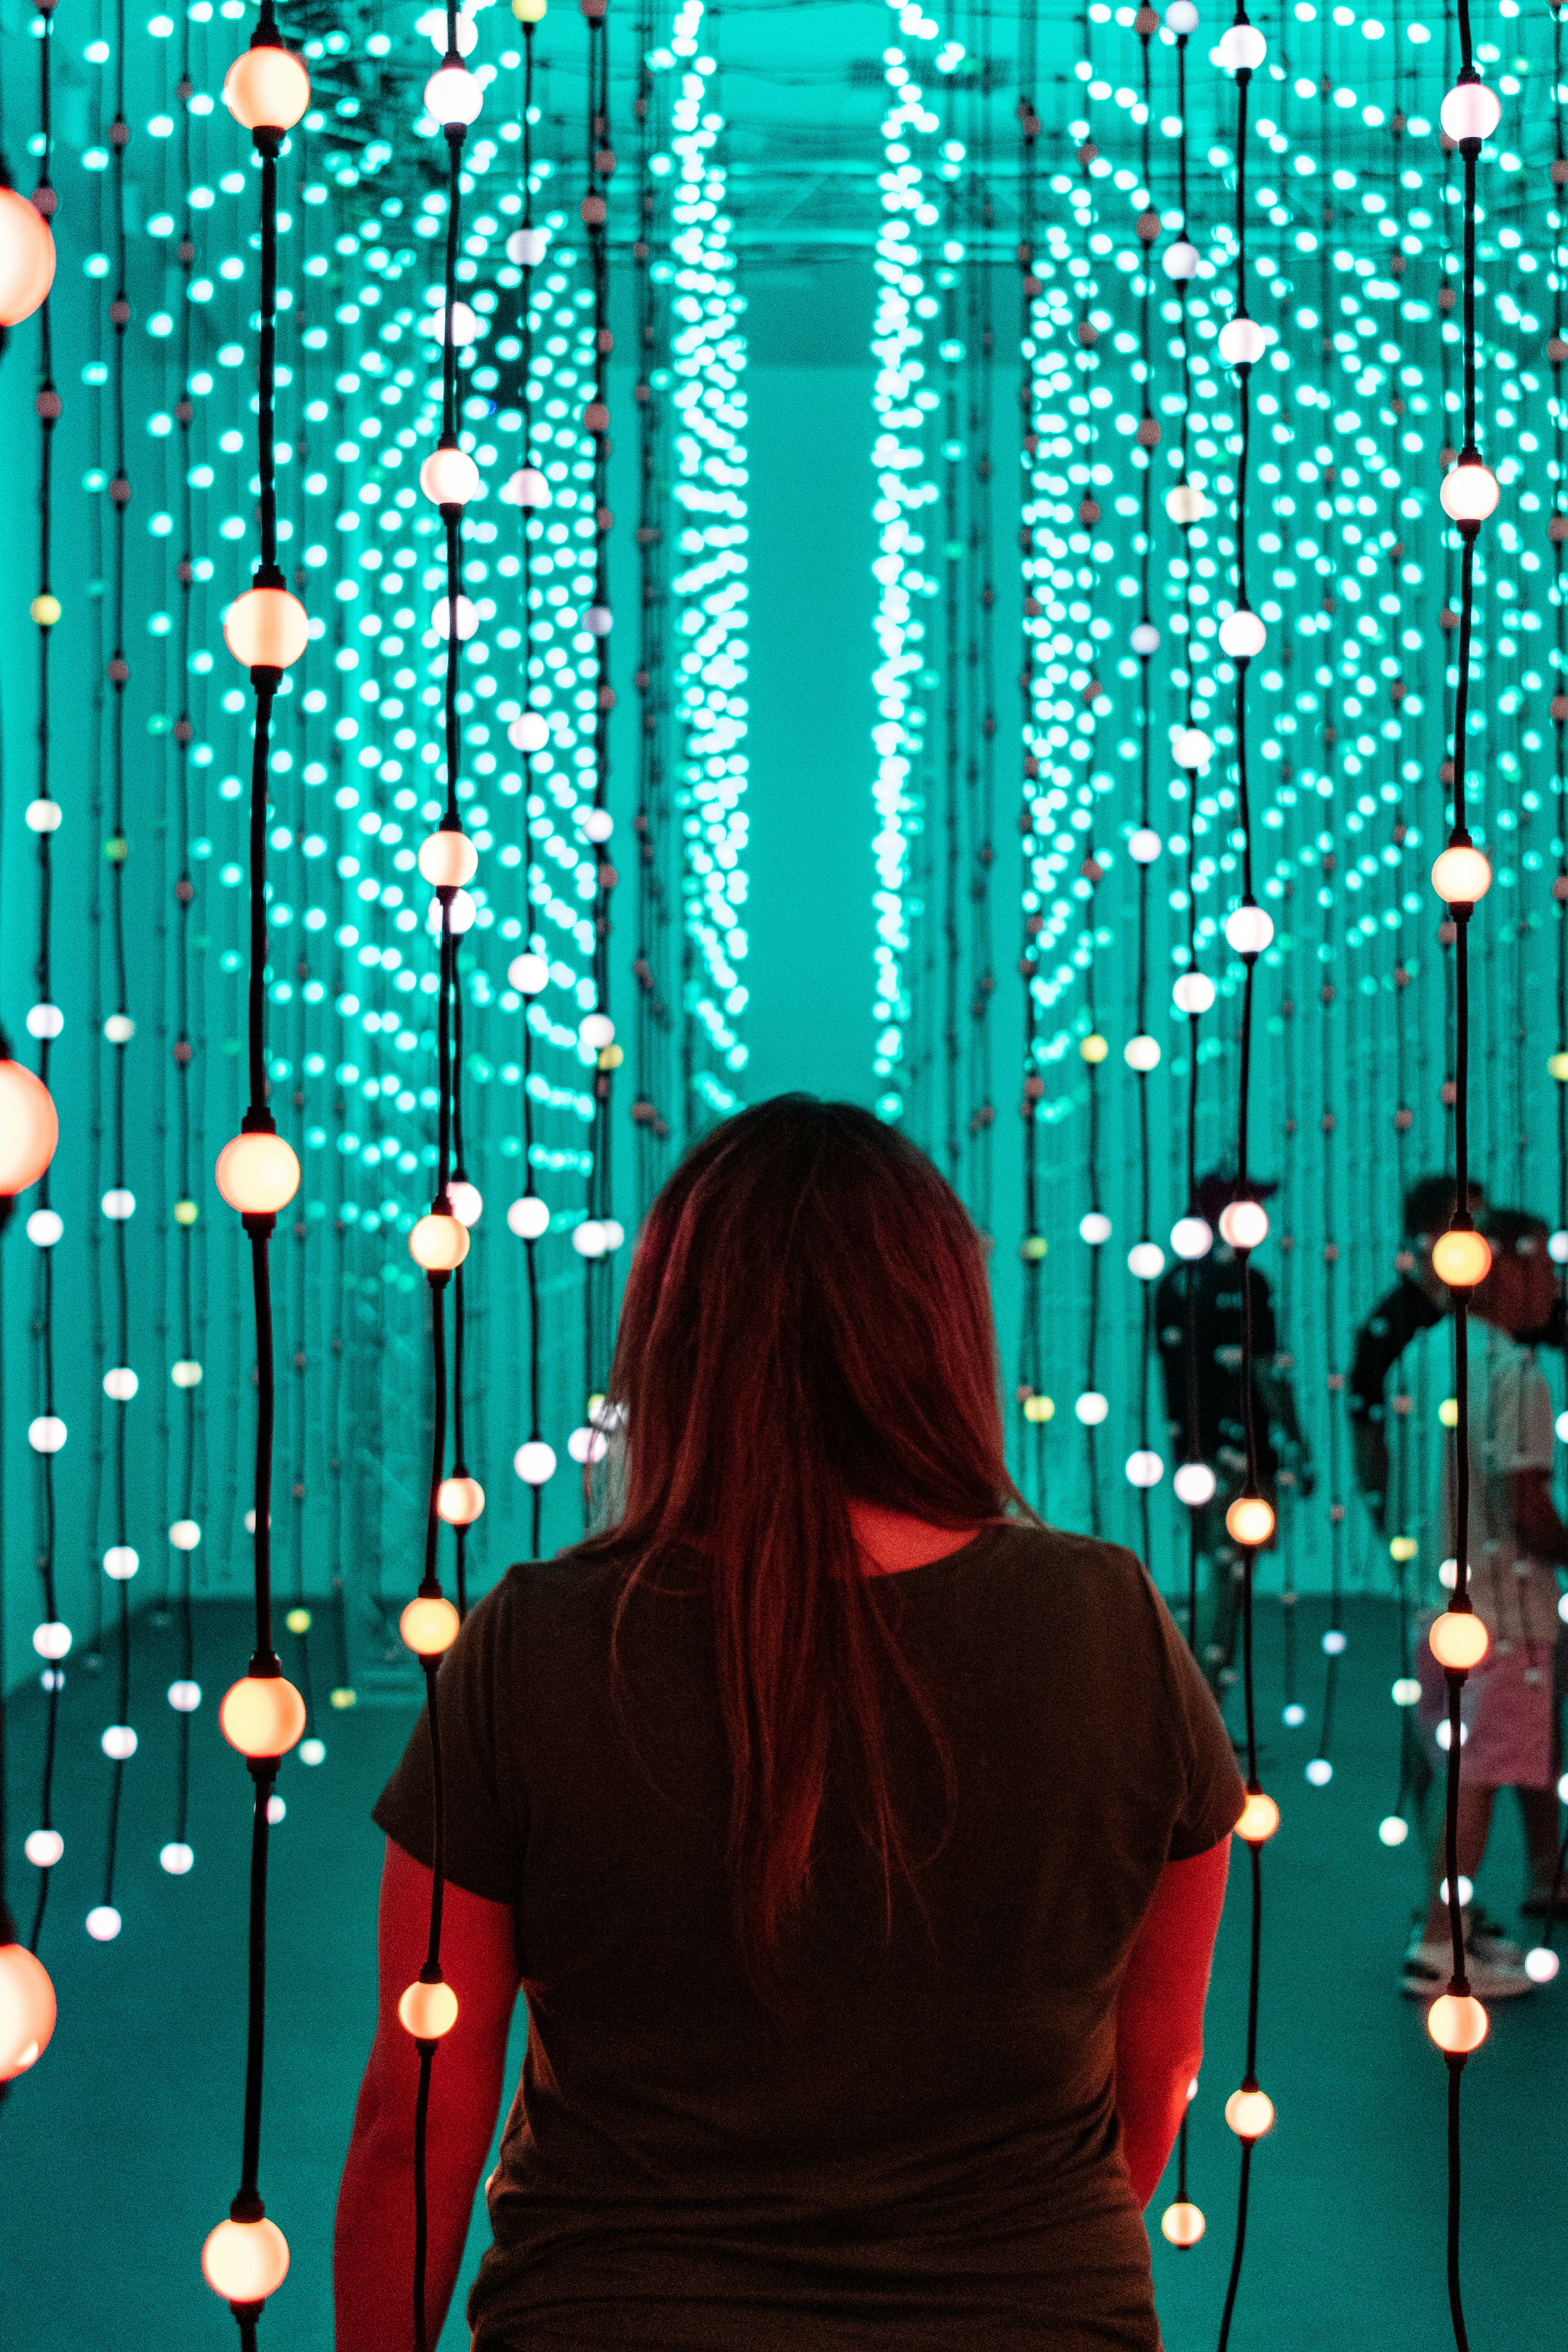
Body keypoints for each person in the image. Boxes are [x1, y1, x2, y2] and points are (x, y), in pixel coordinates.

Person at [335, 1097, 1246, 2352]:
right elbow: (1154, 2076)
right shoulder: (1110, 1621)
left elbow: (416, 2120)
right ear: (941, 1326)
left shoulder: (533, 1642)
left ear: (670, 1335)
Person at [1400, 1209, 1568, 2003]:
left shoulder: (1424, 1353)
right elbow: (1527, 1508)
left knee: (1453, 1767)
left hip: (1434, 1605)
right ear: (1503, 1269)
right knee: (1475, 1776)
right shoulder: (1513, 1370)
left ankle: (1455, 1921)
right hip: (1503, 1616)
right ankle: (1440, 1946)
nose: (1556, 1286)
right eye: (1547, 1268)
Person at [1154, 1172, 1313, 1692]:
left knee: (1221, 1576)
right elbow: (1265, 1372)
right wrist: (1296, 1442)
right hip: (1245, 1455)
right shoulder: (1247, 1283)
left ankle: (1204, 1710)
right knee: (1230, 1582)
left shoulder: (1174, 1284)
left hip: (1193, 1455)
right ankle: (1204, 1713)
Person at [1348, 1173, 1484, 1528]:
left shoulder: (1483, 1317)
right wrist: (1392, 1526)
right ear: (1431, 1234)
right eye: (1475, 1228)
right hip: (1428, 1523)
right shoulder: (1391, 1328)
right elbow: (1368, 1438)